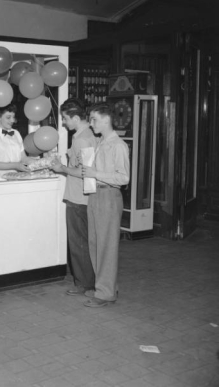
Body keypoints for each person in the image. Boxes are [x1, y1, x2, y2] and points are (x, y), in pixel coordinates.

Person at [81, 103, 130, 308]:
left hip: (109, 196)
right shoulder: (102, 142)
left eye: (94, 119)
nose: (91, 124)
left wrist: (95, 174)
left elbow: (124, 177)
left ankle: (105, 293)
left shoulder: (118, 145)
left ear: (106, 120)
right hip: (96, 195)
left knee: (107, 246)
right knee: (96, 243)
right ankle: (104, 286)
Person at [49, 98, 97, 297]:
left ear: (76, 118)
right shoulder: (89, 135)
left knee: (78, 243)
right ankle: (88, 280)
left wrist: (61, 168)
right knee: (85, 242)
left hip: (78, 198)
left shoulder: (81, 139)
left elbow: (87, 171)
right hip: (86, 197)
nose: (63, 122)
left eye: (65, 118)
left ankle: (83, 283)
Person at [0, 104, 31, 181]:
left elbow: (23, 158)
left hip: (17, 178)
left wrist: (41, 162)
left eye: (13, 117)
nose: (12, 120)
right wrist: (16, 165)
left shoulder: (16, 133)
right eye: (8, 117)